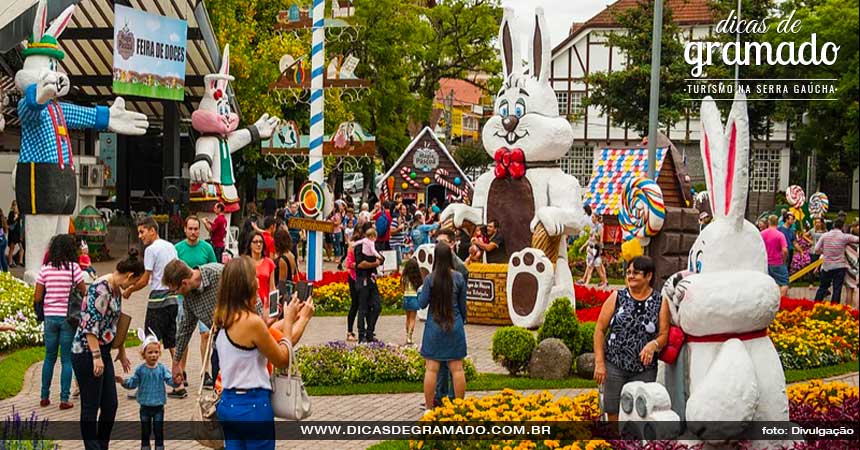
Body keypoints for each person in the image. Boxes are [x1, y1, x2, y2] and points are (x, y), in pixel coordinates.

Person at [213, 256, 314, 450]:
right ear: (246, 284)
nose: (258, 280)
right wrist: (291, 320)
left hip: (228, 402)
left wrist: (271, 323)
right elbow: (283, 359)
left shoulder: (222, 317)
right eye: (254, 276)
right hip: (252, 405)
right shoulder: (251, 321)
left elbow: (245, 345)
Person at [72, 250, 145, 450]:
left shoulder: (115, 289)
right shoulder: (100, 289)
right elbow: (90, 326)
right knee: (90, 405)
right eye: (133, 282)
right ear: (130, 275)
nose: (131, 287)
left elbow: (115, 321)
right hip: (86, 352)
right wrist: (96, 357)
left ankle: (101, 445)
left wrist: (120, 349)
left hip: (103, 350)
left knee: (110, 404)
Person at [592, 256, 669, 421]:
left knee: (641, 412)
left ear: (648, 276)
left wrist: (653, 345)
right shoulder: (617, 297)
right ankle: (615, 443)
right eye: (628, 272)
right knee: (612, 409)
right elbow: (599, 330)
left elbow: (664, 335)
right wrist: (599, 363)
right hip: (614, 366)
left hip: (645, 370)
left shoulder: (660, 302)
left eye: (636, 273)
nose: (630, 276)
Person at [123, 217, 184, 397]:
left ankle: (144, 385)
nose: (140, 236)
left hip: (157, 300)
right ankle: (179, 383)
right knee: (172, 343)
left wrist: (129, 289)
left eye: (142, 232)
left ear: (152, 230)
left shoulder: (151, 249)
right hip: (173, 298)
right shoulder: (170, 247)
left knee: (150, 341)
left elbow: (145, 279)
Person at [35, 234, 87, 409]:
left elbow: (37, 296)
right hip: (68, 318)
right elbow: (83, 291)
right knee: (66, 359)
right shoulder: (74, 268)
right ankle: (64, 399)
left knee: (49, 358)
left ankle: (44, 396)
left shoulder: (45, 269)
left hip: (50, 317)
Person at [418, 243, 468, 411]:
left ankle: (429, 408)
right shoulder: (459, 278)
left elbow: (422, 303)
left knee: (431, 369)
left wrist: (420, 292)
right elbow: (463, 306)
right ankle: (459, 408)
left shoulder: (430, 279)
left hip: (434, 326)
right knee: (457, 369)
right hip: (455, 325)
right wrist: (463, 321)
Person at [174, 215, 218, 389]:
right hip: (183, 299)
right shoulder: (177, 249)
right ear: (185, 229)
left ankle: (204, 371)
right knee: (184, 332)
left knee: (206, 334)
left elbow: (214, 270)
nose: (193, 232)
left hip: (205, 297)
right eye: (190, 228)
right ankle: (183, 370)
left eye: (196, 229)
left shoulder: (207, 248)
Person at [115, 333, 178, 450]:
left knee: (159, 430)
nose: (153, 355)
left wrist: (177, 381)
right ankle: (145, 446)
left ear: (159, 353)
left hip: (159, 406)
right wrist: (123, 381)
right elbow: (132, 383)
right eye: (150, 352)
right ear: (143, 354)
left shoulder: (162, 369)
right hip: (144, 406)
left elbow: (170, 380)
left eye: (156, 352)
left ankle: (159, 446)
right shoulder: (140, 370)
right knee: (145, 430)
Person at [814, 218, 859, 302]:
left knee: (823, 287)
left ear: (833, 225)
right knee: (837, 289)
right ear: (842, 227)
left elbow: (816, 249)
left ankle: (816, 304)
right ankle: (834, 307)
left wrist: (825, 251)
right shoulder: (844, 237)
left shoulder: (825, 235)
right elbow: (857, 239)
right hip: (839, 266)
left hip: (827, 266)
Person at [354, 227, 384, 343]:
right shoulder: (359, 247)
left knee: (377, 306)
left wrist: (378, 262)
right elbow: (361, 264)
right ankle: (361, 335)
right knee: (363, 309)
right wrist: (375, 263)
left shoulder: (373, 245)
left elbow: (381, 258)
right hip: (362, 280)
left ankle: (370, 332)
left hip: (372, 280)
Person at [243, 231, 277, 315]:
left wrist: (274, 308)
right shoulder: (244, 262)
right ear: (250, 245)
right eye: (255, 242)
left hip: (265, 304)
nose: (258, 245)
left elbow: (272, 287)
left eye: (261, 242)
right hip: (249, 304)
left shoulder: (269, 262)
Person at [761, 214, 790, 296]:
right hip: (778, 262)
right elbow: (785, 250)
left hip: (766, 263)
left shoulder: (762, 234)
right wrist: (784, 259)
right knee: (784, 283)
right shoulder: (780, 235)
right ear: (777, 223)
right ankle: (781, 302)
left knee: (770, 283)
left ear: (768, 222)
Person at [344, 227, 364, 342]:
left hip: (361, 276)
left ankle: (362, 330)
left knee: (362, 305)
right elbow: (349, 263)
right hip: (354, 277)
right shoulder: (352, 245)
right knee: (355, 304)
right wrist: (360, 264)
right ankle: (350, 331)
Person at [401, 258, 422, 345]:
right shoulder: (417, 277)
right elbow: (420, 288)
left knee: (407, 318)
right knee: (413, 319)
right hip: (414, 297)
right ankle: (410, 336)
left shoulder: (404, 277)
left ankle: (407, 335)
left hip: (406, 297)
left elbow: (402, 289)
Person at [273, 228, 298, 297]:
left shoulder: (282, 260)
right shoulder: (291, 255)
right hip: (290, 291)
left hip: (284, 295)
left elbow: (282, 282)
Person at [7, 201, 22, 268]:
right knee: (12, 248)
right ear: (12, 206)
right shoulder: (11, 213)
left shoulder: (19, 214)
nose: (15, 207)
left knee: (22, 248)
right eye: (14, 205)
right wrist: (15, 218)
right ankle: (10, 263)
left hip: (18, 233)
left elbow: (20, 224)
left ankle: (20, 262)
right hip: (13, 234)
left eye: (16, 205)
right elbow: (9, 223)